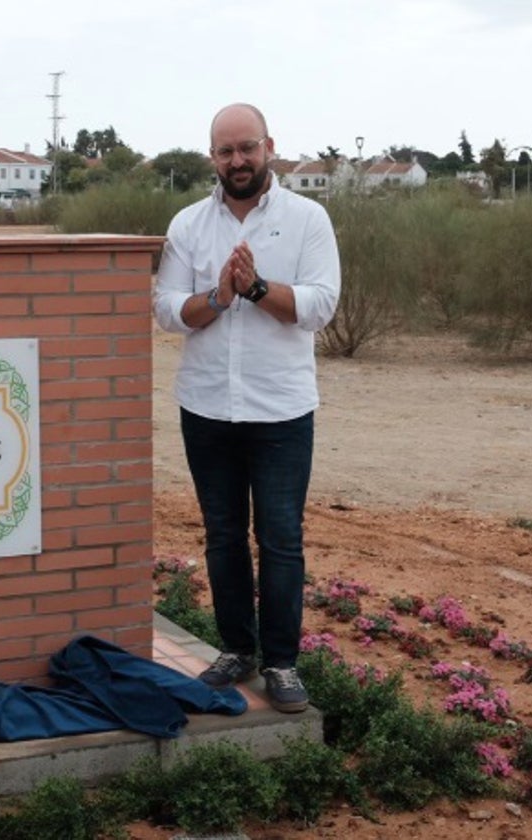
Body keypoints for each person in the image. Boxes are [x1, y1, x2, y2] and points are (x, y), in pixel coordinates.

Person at [152, 104, 341, 713]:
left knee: (281, 540)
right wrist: (220, 294)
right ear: (212, 157)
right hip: (206, 408)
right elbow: (167, 310)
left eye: (247, 148)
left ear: (269, 148)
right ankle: (237, 649)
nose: (237, 161)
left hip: (281, 411)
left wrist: (256, 289)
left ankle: (282, 664)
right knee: (223, 536)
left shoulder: (307, 219)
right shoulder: (188, 224)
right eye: (225, 151)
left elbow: (320, 305)